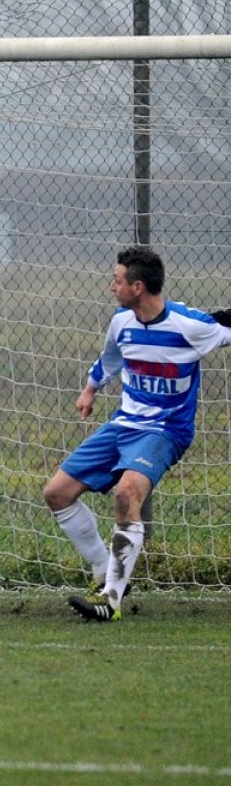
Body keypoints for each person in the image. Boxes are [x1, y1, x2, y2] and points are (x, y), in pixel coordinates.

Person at [49, 246, 231, 622]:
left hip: (165, 430)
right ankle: (105, 569)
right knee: (57, 493)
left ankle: (110, 601)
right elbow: (110, 358)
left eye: (116, 280)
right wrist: (89, 389)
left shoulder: (189, 326)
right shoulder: (122, 322)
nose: (110, 286)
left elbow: (224, 327)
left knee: (126, 493)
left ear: (137, 287)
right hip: (123, 423)